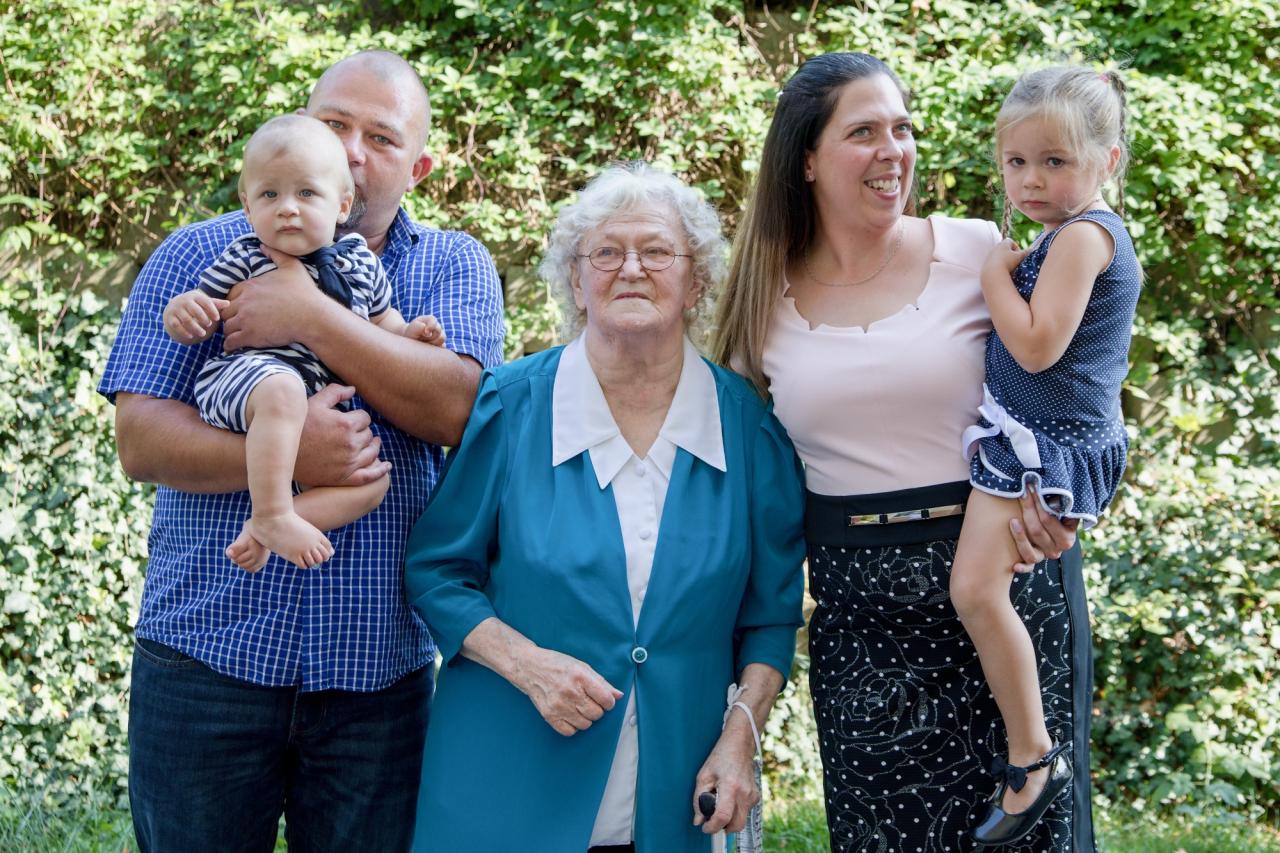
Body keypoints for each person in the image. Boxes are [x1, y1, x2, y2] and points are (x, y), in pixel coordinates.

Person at [98, 50, 504, 852]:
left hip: (375, 678)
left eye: (381, 138)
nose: (351, 148)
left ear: (417, 167)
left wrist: (310, 315)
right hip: (205, 655)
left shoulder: (453, 264)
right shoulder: (198, 255)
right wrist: (294, 459)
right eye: (333, 124)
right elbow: (139, 439)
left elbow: (458, 409)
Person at [713, 52, 1095, 852]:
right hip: (862, 619)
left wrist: (1063, 503)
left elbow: (1072, 387)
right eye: (864, 132)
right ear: (806, 159)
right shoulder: (759, 299)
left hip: (1005, 590)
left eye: (902, 128)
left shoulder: (979, 250)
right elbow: (744, 482)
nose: (893, 151)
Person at [402, 162, 806, 852]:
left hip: (677, 804)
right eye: (607, 253)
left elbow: (770, 617)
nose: (632, 268)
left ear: (696, 283)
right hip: (503, 787)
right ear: (576, 283)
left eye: (657, 251)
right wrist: (528, 665)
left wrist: (741, 734)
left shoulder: (748, 429)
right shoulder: (509, 405)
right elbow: (437, 571)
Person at [952, 65, 1139, 846]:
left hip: (1044, 445)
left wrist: (992, 274)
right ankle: (1032, 748)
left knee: (974, 590)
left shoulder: (1084, 236)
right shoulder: (1071, 233)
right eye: (1016, 161)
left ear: (1107, 160)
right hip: (1037, 434)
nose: (1030, 180)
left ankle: (1033, 756)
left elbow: (1035, 346)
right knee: (984, 590)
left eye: (1054, 161)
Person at [163, 113, 447, 573]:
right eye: (269, 195)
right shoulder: (245, 255)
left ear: (342, 205)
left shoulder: (361, 264)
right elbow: (202, 309)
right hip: (247, 382)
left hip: (313, 397)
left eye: (307, 193)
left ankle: (270, 526)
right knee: (282, 390)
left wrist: (412, 336)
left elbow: (384, 322)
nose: (287, 208)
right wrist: (183, 312)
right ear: (247, 206)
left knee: (373, 481)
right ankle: (273, 511)